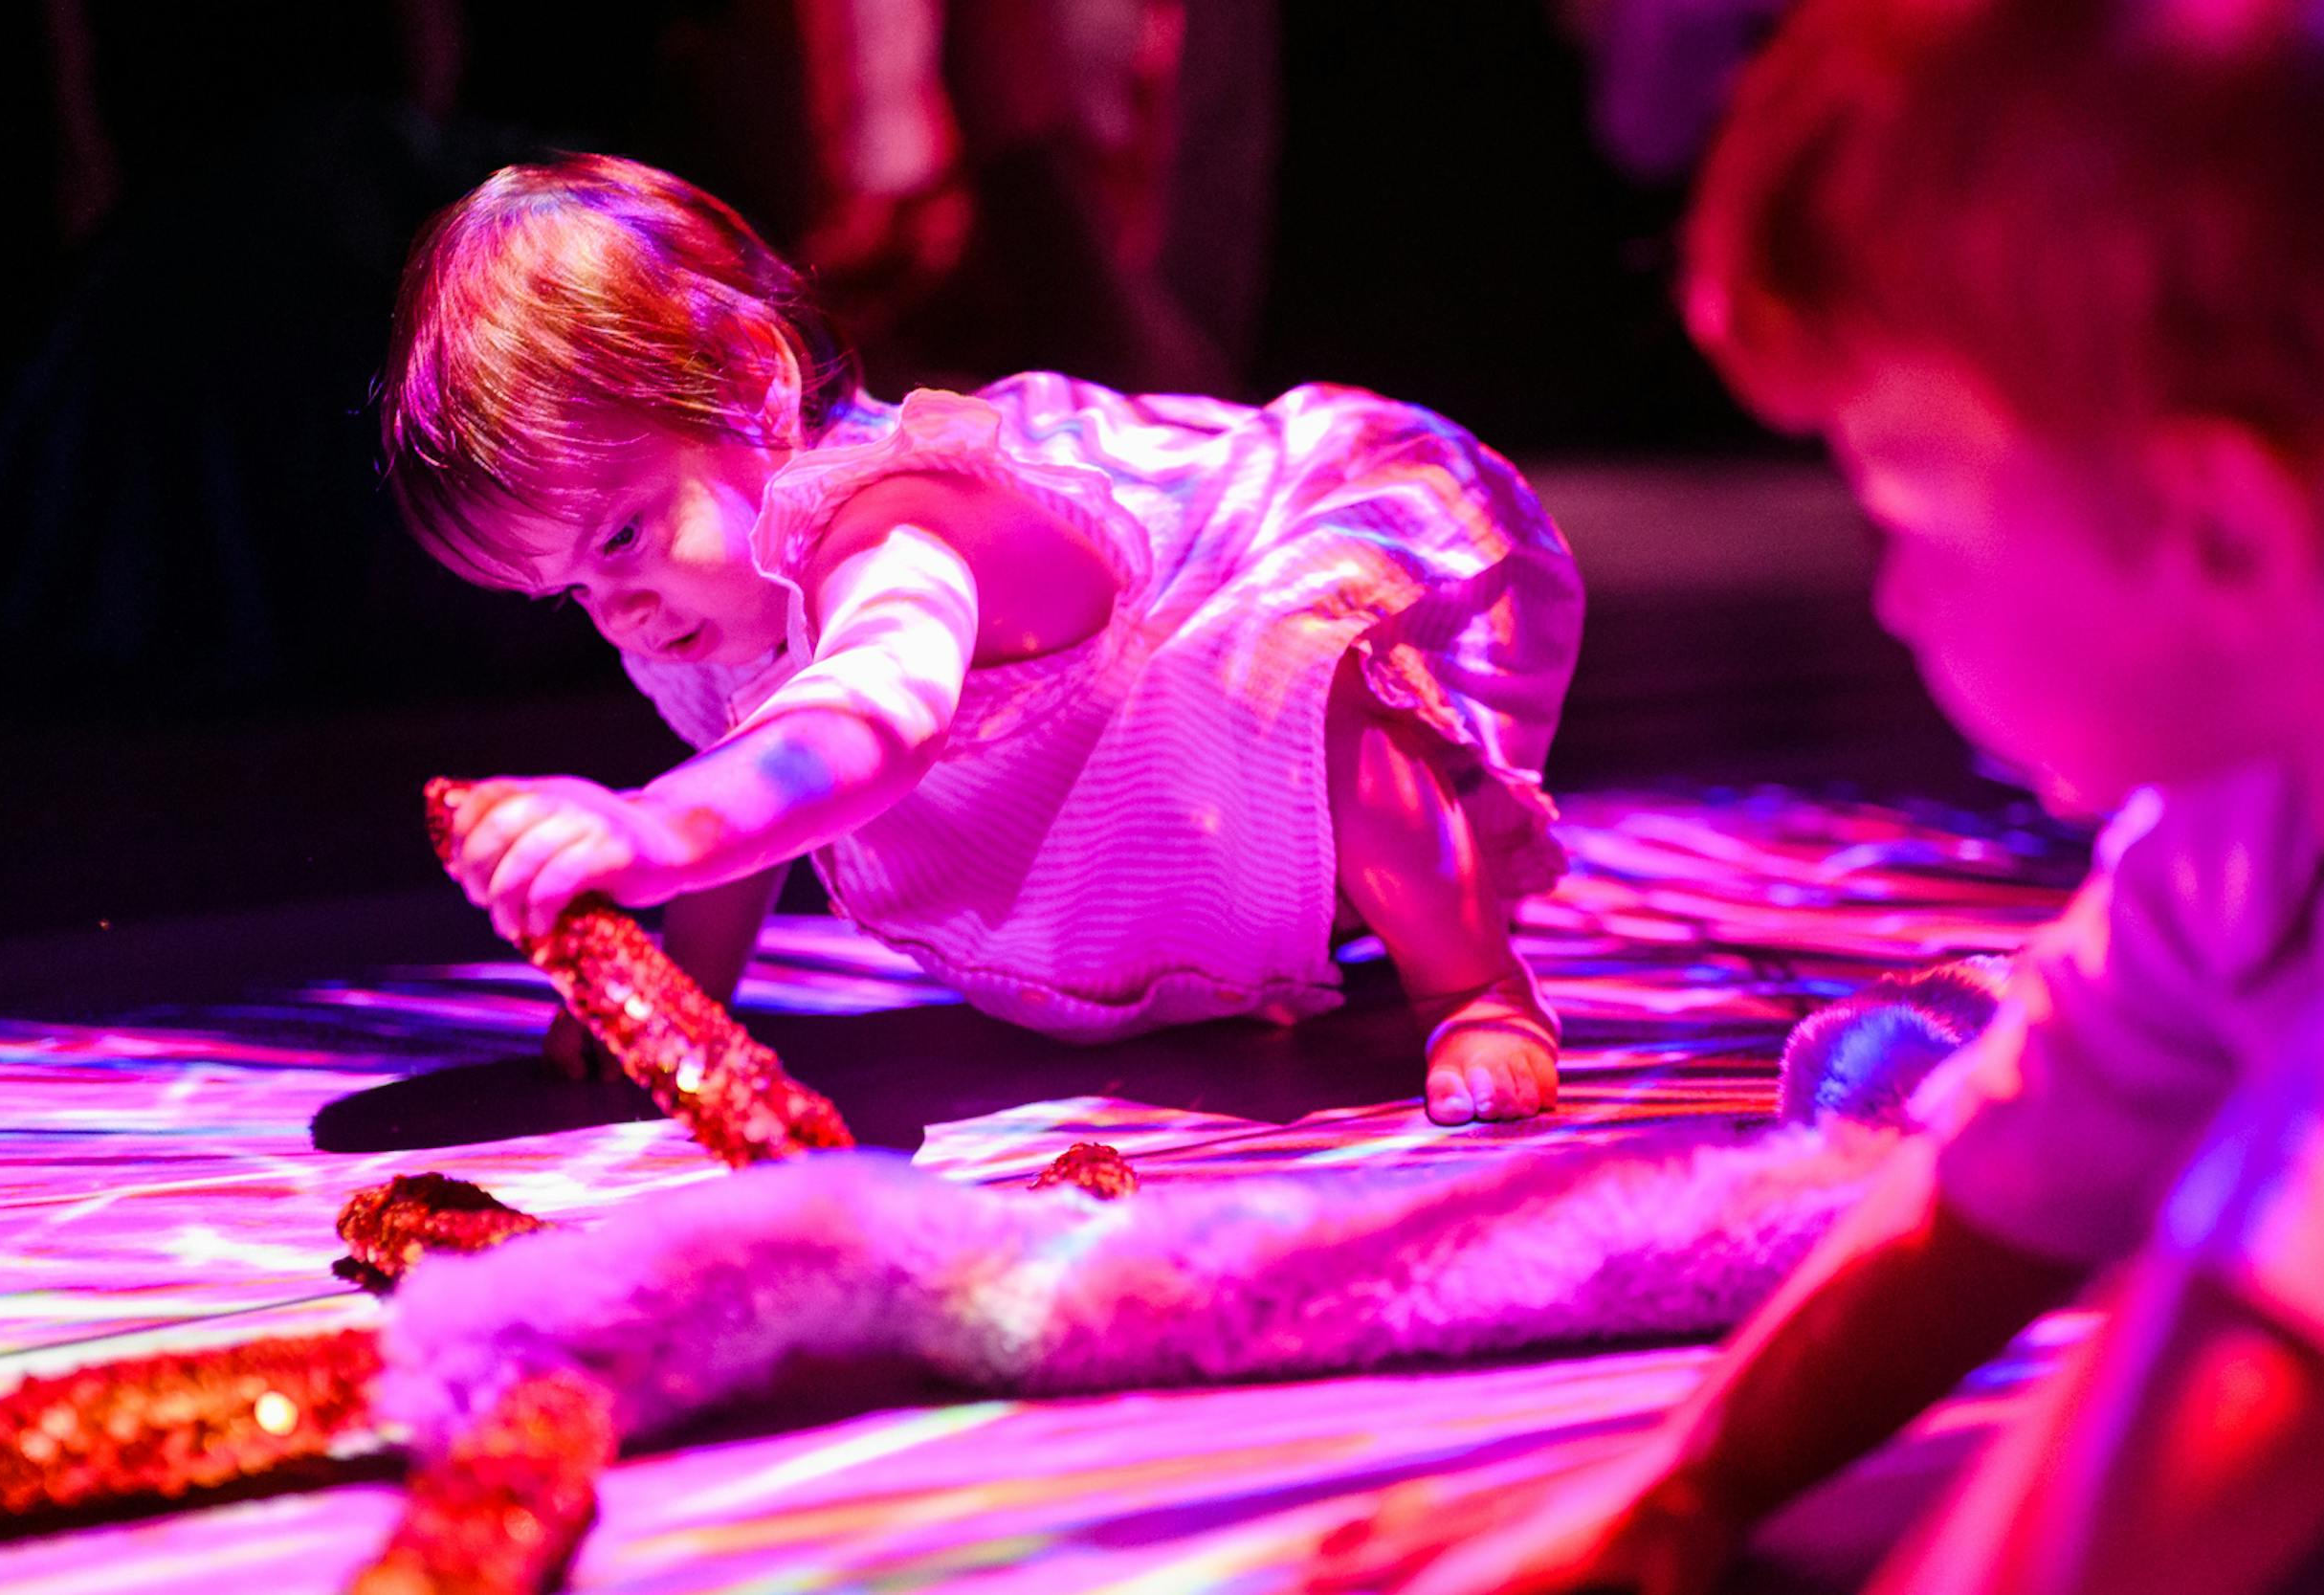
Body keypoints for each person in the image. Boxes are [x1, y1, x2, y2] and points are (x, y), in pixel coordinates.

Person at [1310, 0, 2324, 1589]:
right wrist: (1683, 1486)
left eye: (1897, 507)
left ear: (2221, 529)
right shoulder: (2260, 810)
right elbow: (2007, 1175)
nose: (1893, 598)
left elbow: (2250, 1345)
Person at [381, 155, 1582, 1124]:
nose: (616, 610)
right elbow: (750, 758)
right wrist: (684, 983)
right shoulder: (708, 608)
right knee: (1261, 738)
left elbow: (860, 730)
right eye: (567, 590)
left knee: (1297, 685)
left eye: (625, 534)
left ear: (752, 381)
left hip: (1245, 624)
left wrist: (652, 826)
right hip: (1126, 788)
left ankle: (1474, 981)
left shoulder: (896, 523)